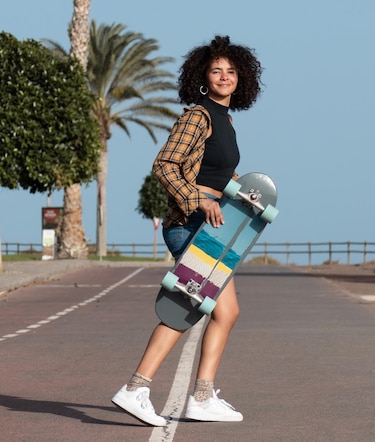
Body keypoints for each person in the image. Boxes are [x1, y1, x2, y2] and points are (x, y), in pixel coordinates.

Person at [111, 34, 263, 426]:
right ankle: (135, 388)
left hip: (213, 226)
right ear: (203, 76)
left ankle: (201, 396)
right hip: (190, 223)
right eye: (217, 70)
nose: (224, 76)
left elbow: (218, 174)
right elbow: (165, 165)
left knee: (226, 312)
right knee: (188, 307)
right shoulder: (198, 116)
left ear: (242, 77)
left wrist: (243, 200)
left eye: (231, 71)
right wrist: (200, 200)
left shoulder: (225, 120)